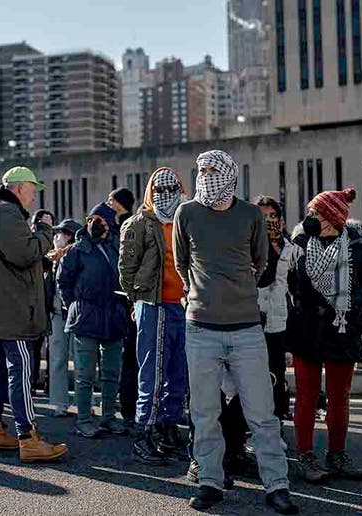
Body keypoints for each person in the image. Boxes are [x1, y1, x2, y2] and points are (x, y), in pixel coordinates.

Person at [174, 150, 298, 514]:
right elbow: (182, 262)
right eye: (202, 170)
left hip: (246, 328)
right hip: (200, 327)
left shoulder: (249, 214)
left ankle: (277, 485)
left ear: (229, 173)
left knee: (262, 413)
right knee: (204, 412)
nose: (207, 175)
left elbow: (261, 263)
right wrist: (202, 292)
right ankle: (210, 481)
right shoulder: (188, 212)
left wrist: (236, 290)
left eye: (214, 170)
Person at [0, 166, 67, 462]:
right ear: (19, 188)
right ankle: (28, 436)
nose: (33, 199)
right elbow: (24, 253)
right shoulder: (7, 212)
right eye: (32, 192)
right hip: (12, 311)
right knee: (21, 368)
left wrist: (42, 261)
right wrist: (45, 230)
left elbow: (11, 261)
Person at [288, 189, 362, 484]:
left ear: (333, 216)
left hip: (342, 330)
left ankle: (337, 455)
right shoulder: (299, 245)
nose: (310, 218)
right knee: (306, 397)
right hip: (308, 330)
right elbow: (290, 283)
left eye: (317, 213)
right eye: (310, 212)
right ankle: (305, 455)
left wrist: (352, 311)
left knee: (340, 397)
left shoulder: (359, 248)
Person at [119, 167, 189, 464]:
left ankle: (168, 425)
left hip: (184, 307)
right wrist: (138, 302)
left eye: (171, 188)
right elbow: (125, 270)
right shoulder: (138, 224)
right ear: (150, 192)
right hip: (152, 304)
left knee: (180, 372)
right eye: (158, 190)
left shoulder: (187, 220)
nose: (165, 195)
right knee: (152, 373)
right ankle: (142, 434)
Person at [58, 202, 129, 438]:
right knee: (84, 374)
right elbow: (63, 282)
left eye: (101, 220)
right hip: (85, 316)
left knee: (111, 372)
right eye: (92, 219)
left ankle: (108, 417)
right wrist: (74, 306)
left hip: (114, 315)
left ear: (110, 224)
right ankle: (84, 419)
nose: (95, 224)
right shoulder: (77, 250)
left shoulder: (117, 247)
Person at [255, 196, 294, 422]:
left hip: (278, 317)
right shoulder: (250, 245)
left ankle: (278, 415)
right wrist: (269, 248)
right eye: (263, 217)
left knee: (277, 370)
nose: (268, 221)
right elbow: (262, 279)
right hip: (253, 314)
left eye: (272, 216)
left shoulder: (289, 246)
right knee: (255, 371)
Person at [108, 186, 140, 427]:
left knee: (131, 354)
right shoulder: (118, 223)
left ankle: (130, 403)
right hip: (125, 298)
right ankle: (130, 403)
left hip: (129, 298)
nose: (109, 202)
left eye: (113, 199)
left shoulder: (126, 225)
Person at [46, 218, 82, 417]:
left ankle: (82, 401)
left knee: (80, 358)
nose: (55, 237)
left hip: (75, 312)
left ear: (69, 236)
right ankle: (59, 402)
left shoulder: (78, 256)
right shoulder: (49, 259)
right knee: (57, 357)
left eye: (59, 233)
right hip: (56, 313)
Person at [29, 209, 55, 394]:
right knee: (33, 347)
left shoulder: (55, 243)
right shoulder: (31, 242)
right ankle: (31, 382)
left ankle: (49, 382)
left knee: (51, 349)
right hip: (33, 304)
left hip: (51, 305)